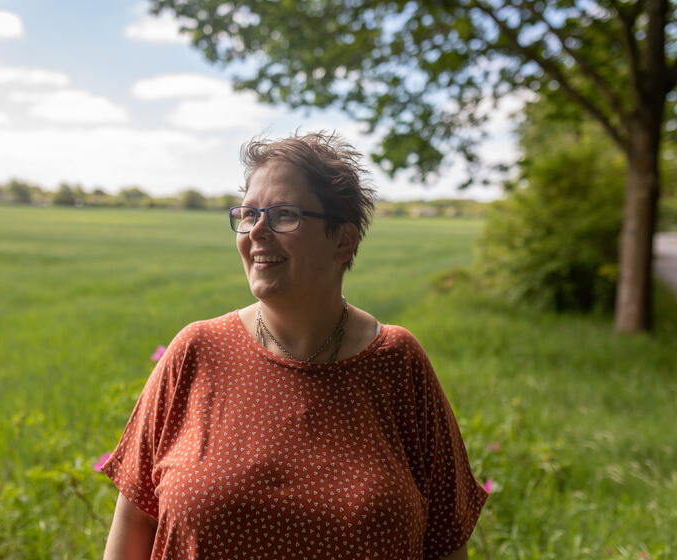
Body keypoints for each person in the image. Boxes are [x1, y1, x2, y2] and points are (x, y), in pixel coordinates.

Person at [101, 131, 487, 560]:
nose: (257, 231)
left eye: (284, 214)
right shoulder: (197, 351)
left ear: (343, 240)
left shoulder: (397, 361)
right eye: (248, 214)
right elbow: (134, 521)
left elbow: (446, 541)